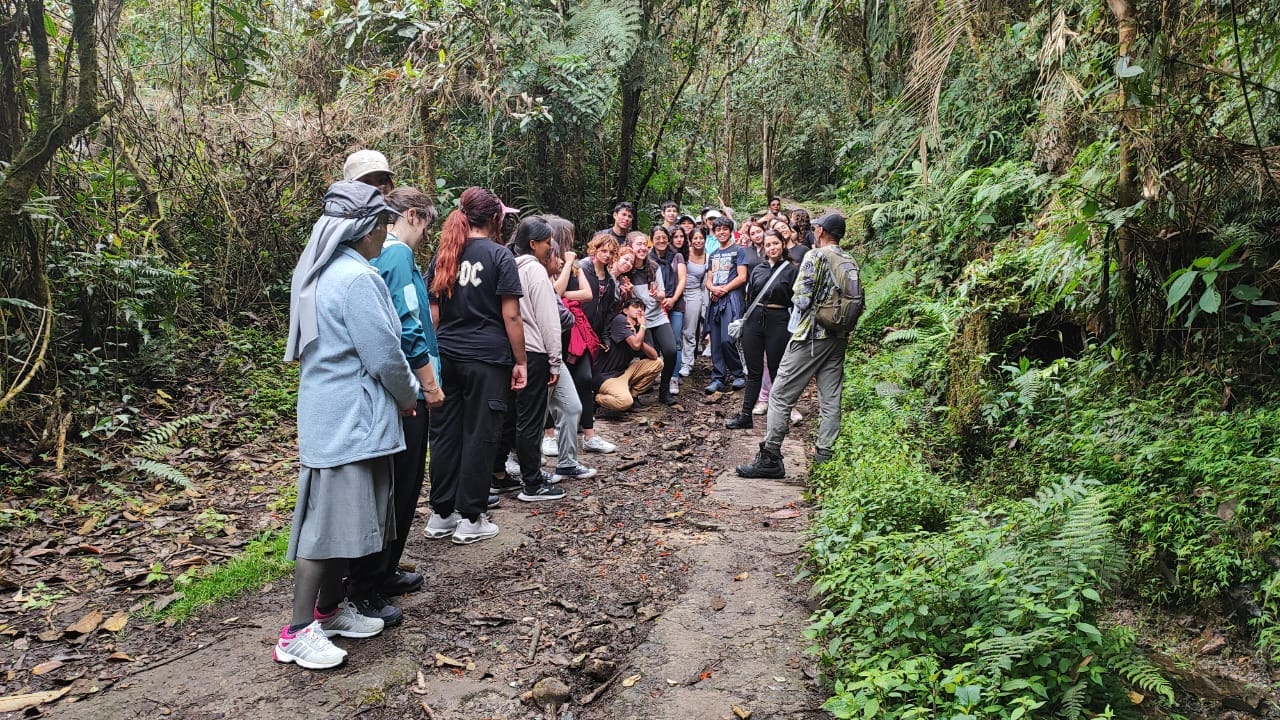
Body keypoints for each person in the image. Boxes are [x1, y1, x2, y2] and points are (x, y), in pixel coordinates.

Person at [276, 180, 418, 670]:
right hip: (348, 421)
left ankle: (330, 612)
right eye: (380, 223)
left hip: (331, 413)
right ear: (360, 228)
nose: (386, 231)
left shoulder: (322, 270)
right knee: (323, 529)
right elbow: (385, 354)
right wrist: (407, 397)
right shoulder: (357, 278)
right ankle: (295, 633)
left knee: (339, 525)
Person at [341, 187, 442, 627]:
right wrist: (428, 382)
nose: (426, 235)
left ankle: (384, 569)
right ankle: (369, 584)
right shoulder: (397, 255)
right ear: (414, 216)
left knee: (396, 485)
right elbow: (408, 324)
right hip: (410, 388)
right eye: (427, 225)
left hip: (396, 386)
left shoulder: (378, 257)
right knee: (399, 488)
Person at [425, 187, 527, 545]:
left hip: (447, 357)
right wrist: (521, 361)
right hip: (486, 359)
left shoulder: (444, 255)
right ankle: (471, 516)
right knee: (481, 434)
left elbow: (433, 314)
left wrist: (433, 359)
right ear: (496, 219)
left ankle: (441, 513)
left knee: (445, 433)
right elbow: (511, 315)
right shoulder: (500, 256)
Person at [737, 212, 860, 478]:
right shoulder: (850, 260)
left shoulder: (815, 257)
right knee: (830, 399)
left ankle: (770, 458)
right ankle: (825, 459)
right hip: (837, 338)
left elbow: (801, 298)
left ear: (820, 232)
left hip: (811, 336)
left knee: (780, 394)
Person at [501, 217, 568, 503]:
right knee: (531, 420)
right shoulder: (536, 272)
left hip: (510, 352)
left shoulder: (506, 267)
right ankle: (532, 482)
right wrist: (555, 360)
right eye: (547, 242)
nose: (549, 247)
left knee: (511, 417)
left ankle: (500, 473)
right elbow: (549, 320)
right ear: (533, 244)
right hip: (534, 351)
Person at [538, 215, 598, 482]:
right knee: (535, 413)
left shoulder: (559, 264)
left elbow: (582, 294)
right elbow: (555, 293)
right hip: (538, 349)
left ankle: (567, 463)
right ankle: (528, 471)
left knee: (571, 406)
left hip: (557, 348)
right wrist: (568, 264)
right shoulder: (537, 266)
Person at [725, 229, 797, 429]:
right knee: (754, 371)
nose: (772, 248)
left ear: (782, 244)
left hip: (779, 321)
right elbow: (750, 296)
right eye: (768, 245)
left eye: (775, 243)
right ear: (764, 248)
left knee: (777, 370)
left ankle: (780, 418)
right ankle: (746, 415)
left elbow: (797, 302)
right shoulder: (758, 269)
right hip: (754, 320)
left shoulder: (792, 270)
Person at [564, 233, 622, 453]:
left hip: (591, 337)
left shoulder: (609, 278)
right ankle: (553, 433)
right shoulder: (580, 270)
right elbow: (565, 296)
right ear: (594, 249)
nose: (607, 255)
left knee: (585, 380)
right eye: (603, 250)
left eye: (610, 252)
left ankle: (589, 434)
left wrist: (604, 336)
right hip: (572, 331)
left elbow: (608, 311)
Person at [625, 231, 678, 405]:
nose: (642, 248)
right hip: (640, 320)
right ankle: (635, 393)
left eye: (644, 244)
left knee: (670, 351)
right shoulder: (626, 268)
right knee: (647, 356)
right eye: (638, 244)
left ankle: (664, 391)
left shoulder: (653, 266)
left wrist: (656, 296)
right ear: (630, 247)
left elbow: (662, 294)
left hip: (657, 316)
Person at [594, 297, 663, 411]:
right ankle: (597, 398)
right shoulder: (620, 320)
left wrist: (640, 331)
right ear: (625, 310)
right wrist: (642, 329)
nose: (640, 310)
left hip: (623, 373)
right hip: (606, 376)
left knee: (657, 363)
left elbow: (654, 355)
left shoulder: (639, 329)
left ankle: (633, 394)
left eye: (642, 308)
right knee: (625, 402)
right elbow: (635, 345)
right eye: (635, 306)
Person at [704, 215, 747, 393]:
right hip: (715, 300)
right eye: (718, 229)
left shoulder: (739, 251)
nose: (721, 232)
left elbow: (742, 276)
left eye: (724, 229)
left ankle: (738, 374)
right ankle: (718, 377)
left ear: (730, 231)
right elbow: (708, 279)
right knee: (715, 341)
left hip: (732, 298)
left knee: (727, 339)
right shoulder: (713, 254)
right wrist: (713, 289)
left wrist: (724, 289)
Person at [651, 225, 686, 397]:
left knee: (675, 342)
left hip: (675, 303)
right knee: (655, 344)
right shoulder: (648, 258)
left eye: (664, 237)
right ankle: (652, 376)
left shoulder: (676, 256)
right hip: (654, 306)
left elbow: (682, 279)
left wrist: (672, 299)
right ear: (652, 239)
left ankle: (673, 376)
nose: (661, 240)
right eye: (657, 237)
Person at [679, 225, 709, 377]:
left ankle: (687, 362)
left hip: (694, 293)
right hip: (678, 292)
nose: (698, 241)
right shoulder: (683, 254)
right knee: (677, 329)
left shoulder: (707, 256)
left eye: (701, 238)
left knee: (690, 330)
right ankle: (675, 361)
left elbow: (706, 281)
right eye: (695, 238)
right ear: (690, 240)